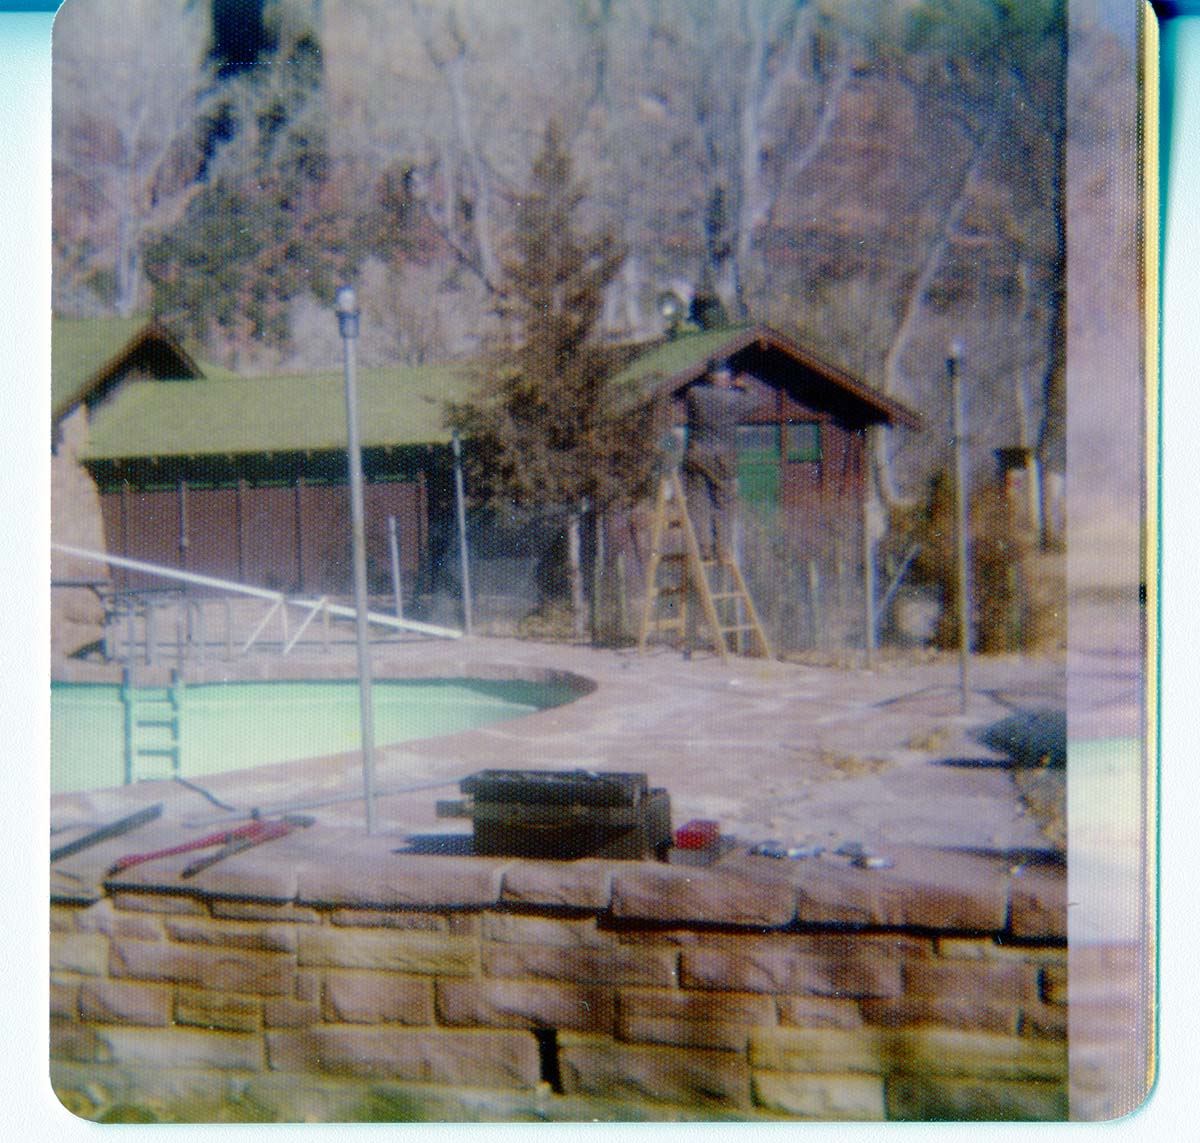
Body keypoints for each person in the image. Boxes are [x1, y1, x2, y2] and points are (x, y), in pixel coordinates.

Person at [682, 360, 757, 560]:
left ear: (709, 376)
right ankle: (722, 548)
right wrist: (743, 386)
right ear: (726, 376)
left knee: (697, 500)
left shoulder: (694, 394)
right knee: (724, 502)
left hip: (697, 454)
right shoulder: (735, 398)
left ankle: (703, 547)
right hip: (724, 457)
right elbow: (755, 400)